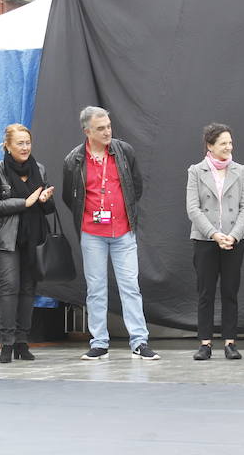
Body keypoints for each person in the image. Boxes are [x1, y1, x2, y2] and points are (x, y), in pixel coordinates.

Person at [62, 106, 159, 361]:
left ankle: (139, 341)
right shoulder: (74, 160)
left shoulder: (123, 151)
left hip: (123, 230)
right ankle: (99, 342)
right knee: (95, 288)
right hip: (92, 232)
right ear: (87, 131)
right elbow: (68, 196)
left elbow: (135, 187)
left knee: (130, 286)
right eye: (100, 128)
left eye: (108, 126)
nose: (107, 132)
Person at [0, 124, 55, 363]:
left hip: (33, 237)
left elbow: (47, 209)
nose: (25, 147)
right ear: (8, 146)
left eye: (28, 143)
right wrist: (23, 203)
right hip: (6, 239)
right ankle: (6, 343)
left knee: (28, 289)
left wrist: (44, 200)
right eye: (20, 143)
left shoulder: (40, 169)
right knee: (10, 286)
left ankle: (22, 342)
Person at [185, 123, 244, 361]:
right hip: (205, 240)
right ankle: (205, 343)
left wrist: (233, 235)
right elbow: (193, 208)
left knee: (230, 291)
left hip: (234, 240)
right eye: (223, 143)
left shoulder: (241, 170)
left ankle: (230, 343)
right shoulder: (196, 171)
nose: (228, 147)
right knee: (205, 292)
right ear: (210, 146)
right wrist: (214, 234)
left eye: (230, 142)